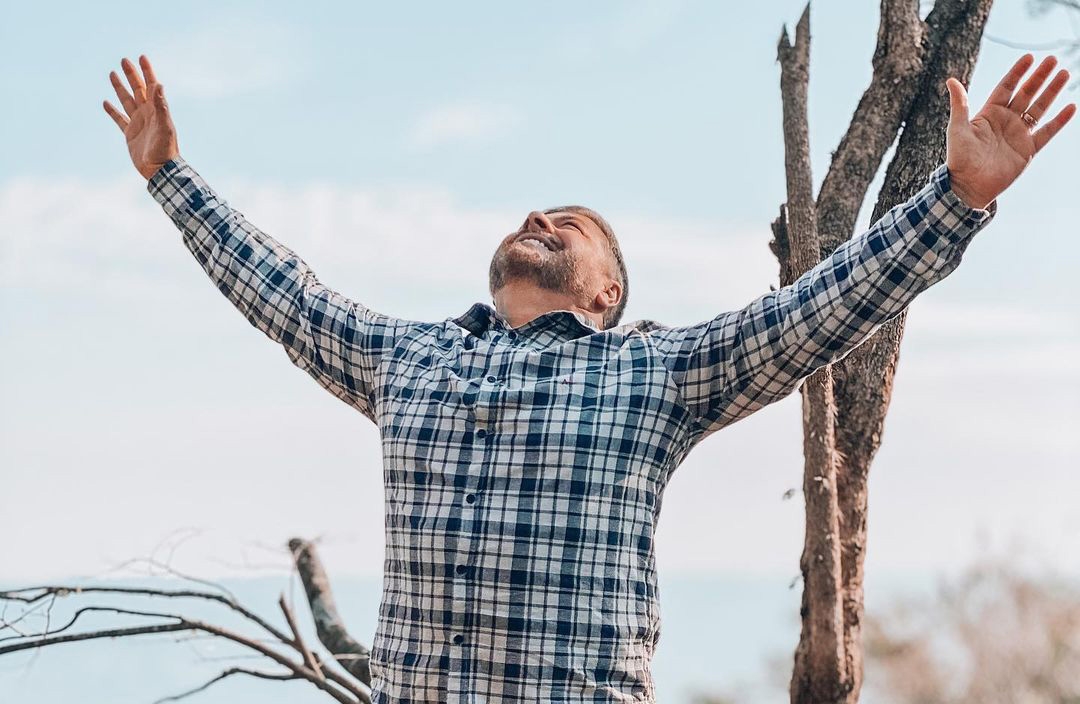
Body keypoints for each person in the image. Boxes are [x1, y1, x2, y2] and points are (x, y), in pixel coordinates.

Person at [103, 52, 1073, 703]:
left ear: (607, 288)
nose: (540, 215)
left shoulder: (656, 371)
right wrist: (167, 174)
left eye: (572, 222)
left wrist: (954, 201)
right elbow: (282, 292)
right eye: (538, 211)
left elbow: (816, 311)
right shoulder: (410, 360)